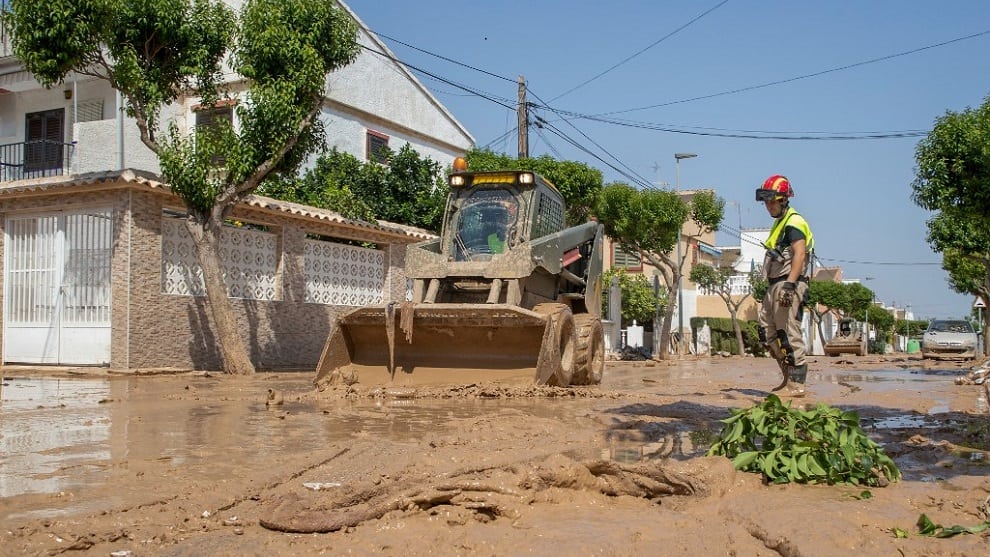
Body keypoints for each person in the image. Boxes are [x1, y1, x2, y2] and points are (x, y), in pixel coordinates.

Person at [755, 174, 815, 396]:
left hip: (787, 284)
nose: (768, 206)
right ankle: (787, 378)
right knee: (768, 333)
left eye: (772, 201)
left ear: (783, 200)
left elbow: (799, 254)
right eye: (766, 202)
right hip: (773, 286)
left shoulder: (794, 222)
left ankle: (797, 385)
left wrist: (790, 285)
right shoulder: (779, 224)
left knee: (788, 332)